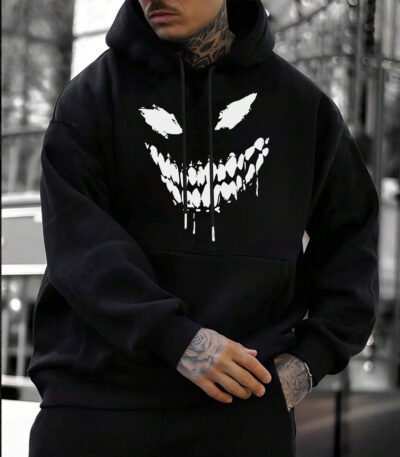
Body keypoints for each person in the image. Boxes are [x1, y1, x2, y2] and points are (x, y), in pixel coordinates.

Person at [27, 0, 380, 456]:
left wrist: (305, 366)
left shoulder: (301, 107)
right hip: (98, 411)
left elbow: (352, 241)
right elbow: (81, 247)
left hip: (239, 420)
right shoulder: (90, 99)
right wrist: (173, 336)